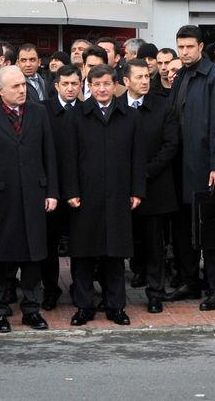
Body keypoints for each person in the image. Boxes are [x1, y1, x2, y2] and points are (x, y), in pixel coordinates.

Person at [0, 65, 58, 333]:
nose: (23, 90)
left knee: (33, 254)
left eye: (24, 85)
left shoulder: (39, 113)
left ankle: (31, 309)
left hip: (34, 195)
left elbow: (49, 154)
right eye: (16, 86)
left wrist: (52, 191)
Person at [61, 64, 146, 326]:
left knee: (115, 254)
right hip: (85, 196)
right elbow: (69, 157)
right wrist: (71, 190)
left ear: (115, 85)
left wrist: (137, 190)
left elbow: (138, 158)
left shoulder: (130, 116)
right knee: (83, 254)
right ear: (89, 86)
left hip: (119, 194)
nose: (101, 89)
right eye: (96, 85)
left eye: (107, 84)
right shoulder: (76, 116)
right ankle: (84, 306)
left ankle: (115, 306)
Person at [165, 25, 215, 311]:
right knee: (182, 228)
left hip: (205, 165)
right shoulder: (180, 76)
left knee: (210, 231)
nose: (184, 52)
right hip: (178, 165)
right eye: (180, 47)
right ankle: (190, 281)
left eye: (189, 47)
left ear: (201, 47)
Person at [123, 59, 178, 314]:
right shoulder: (116, 108)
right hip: (121, 189)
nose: (145, 81)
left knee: (155, 245)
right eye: (139, 77)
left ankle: (155, 293)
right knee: (122, 241)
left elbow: (170, 145)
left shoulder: (163, 106)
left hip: (154, 187)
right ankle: (116, 293)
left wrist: (143, 173)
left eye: (147, 76)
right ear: (126, 81)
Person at [41, 64, 82, 310]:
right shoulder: (43, 110)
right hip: (52, 190)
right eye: (65, 84)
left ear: (80, 84)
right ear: (56, 85)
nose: (70, 88)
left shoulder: (87, 110)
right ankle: (50, 289)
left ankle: (80, 286)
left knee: (80, 242)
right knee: (49, 244)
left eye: (74, 84)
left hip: (79, 190)